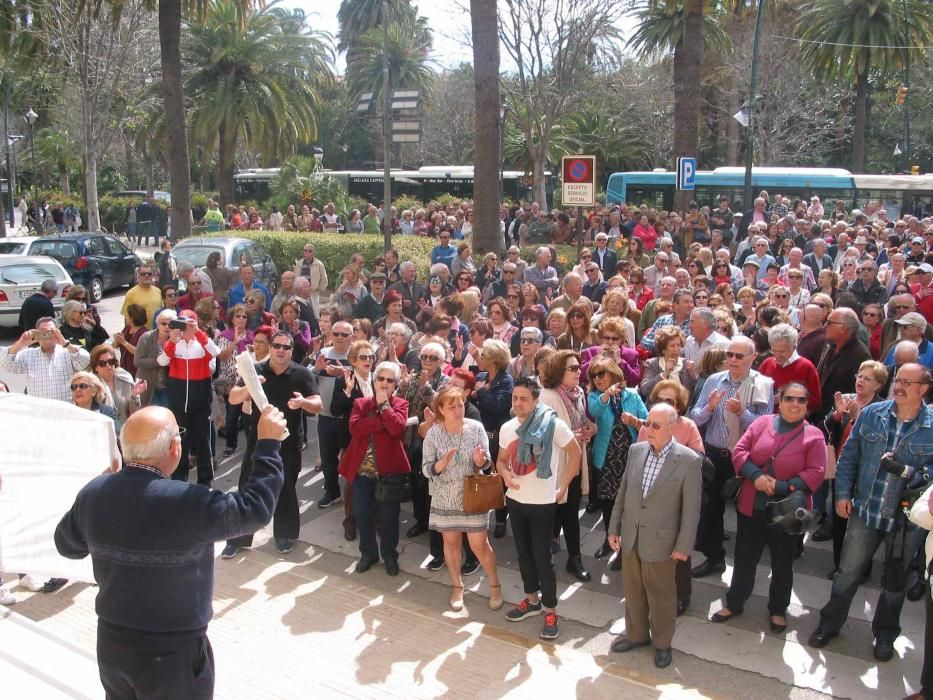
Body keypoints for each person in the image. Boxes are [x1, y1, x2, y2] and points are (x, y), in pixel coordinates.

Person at [54, 404, 288, 699]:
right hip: (172, 654)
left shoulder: (95, 492)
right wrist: (267, 445)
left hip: (112, 645)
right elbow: (255, 510)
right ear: (175, 448)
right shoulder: (188, 501)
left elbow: (67, 546)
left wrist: (98, 488)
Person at [809, 363, 933, 662]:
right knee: (847, 573)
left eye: (908, 381)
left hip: (906, 521)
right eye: (898, 379)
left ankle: (885, 635)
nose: (899, 385)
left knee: (895, 581)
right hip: (866, 511)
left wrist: (910, 471)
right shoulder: (871, 414)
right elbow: (849, 455)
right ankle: (829, 625)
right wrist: (842, 494)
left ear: (924, 388)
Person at [710, 382, 826, 634]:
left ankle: (777, 609)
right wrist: (755, 477)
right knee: (744, 558)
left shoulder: (814, 435)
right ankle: (735, 602)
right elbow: (740, 451)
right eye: (789, 399)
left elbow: (816, 473)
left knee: (782, 562)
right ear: (779, 400)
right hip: (751, 504)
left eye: (801, 400)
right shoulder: (761, 423)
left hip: (788, 510)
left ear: (807, 405)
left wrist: (783, 486)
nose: (795, 405)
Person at [607, 403, 702, 669]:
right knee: (633, 591)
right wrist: (614, 527)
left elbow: (692, 509)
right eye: (647, 423)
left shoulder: (689, 461)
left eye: (656, 425)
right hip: (631, 537)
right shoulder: (636, 451)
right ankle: (636, 635)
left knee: (661, 596)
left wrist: (684, 545)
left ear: (672, 428)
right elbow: (623, 493)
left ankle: (662, 644)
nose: (649, 429)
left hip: (663, 542)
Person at [497, 377, 582, 640]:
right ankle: (531, 600)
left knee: (543, 558)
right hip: (516, 500)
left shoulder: (552, 425)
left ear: (536, 401)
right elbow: (500, 460)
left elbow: (575, 453)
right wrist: (505, 475)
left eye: (524, 399)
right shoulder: (507, 428)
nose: (518, 403)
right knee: (523, 553)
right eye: (515, 398)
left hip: (543, 503)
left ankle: (551, 610)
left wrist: (563, 485)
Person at [225, 330, 321, 555]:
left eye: (286, 347)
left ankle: (284, 535)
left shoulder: (301, 374)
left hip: (288, 441)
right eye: (276, 346)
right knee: (247, 487)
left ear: (291, 351)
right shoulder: (256, 370)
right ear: (270, 348)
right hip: (257, 440)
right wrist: (250, 387)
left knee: (286, 488)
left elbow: (317, 404)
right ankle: (237, 540)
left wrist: (304, 402)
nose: (280, 350)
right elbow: (232, 397)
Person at [689, 335, 774, 578]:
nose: (733, 360)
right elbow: (695, 418)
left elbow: (766, 427)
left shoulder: (764, 384)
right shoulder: (715, 380)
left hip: (745, 458)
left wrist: (743, 413)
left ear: (752, 357)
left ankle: (743, 568)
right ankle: (714, 558)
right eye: (730, 355)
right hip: (716, 454)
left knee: (746, 514)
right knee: (711, 509)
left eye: (739, 356)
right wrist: (710, 408)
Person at [422, 386, 502, 611]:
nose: (458, 410)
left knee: (480, 545)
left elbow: (487, 463)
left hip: (472, 494)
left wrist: (480, 461)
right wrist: (441, 463)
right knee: (451, 542)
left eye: (460, 405)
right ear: (441, 409)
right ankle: (457, 587)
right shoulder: (434, 433)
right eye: (452, 406)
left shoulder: (476, 428)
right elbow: (426, 469)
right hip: (444, 496)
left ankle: (495, 584)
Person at [337, 361, 410, 575]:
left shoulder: (401, 404)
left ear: (396, 384)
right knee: (362, 515)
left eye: (390, 380)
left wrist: (384, 407)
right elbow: (355, 428)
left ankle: (390, 556)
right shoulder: (361, 403)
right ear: (374, 380)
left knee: (388, 519)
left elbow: (396, 428)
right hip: (361, 473)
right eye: (381, 379)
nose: (384, 383)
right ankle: (368, 554)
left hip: (388, 474)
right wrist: (382, 422)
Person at [822, 361, 888, 573]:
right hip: (841, 469)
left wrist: (857, 418)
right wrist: (837, 414)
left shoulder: (882, 408)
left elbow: (880, 441)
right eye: (859, 376)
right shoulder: (847, 399)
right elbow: (825, 427)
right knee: (840, 520)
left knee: (861, 525)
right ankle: (839, 565)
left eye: (867, 378)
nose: (860, 380)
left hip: (865, 473)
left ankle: (862, 568)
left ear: (878, 385)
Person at [587, 355, 648, 570]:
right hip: (606, 457)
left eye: (601, 374)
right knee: (607, 502)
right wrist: (606, 395)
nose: (597, 379)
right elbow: (594, 411)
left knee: (627, 505)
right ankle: (608, 538)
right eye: (594, 376)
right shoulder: (595, 397)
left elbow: (646, 422)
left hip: (629, 457)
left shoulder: (632, 394)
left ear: (613, 373)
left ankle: (624, 549)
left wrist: (634, 420)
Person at [539, 350, 594, 582]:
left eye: (578, 367)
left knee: (571, 514)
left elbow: (582, 421)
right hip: (554, 466)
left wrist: (591, 428)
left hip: (574, 463)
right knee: (549, 514)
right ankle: (543, 562)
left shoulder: (579, 392)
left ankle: (575, 558)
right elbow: (541, 433)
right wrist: (573, 435)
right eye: (572, 368)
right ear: (557, 371)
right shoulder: (547, 396)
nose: (578, 371)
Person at [158, 310, 220, 486]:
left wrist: (198, 333)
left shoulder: (201, 343)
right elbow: (162, 361)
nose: (185, 329)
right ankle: (179, 479)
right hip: (178, 401)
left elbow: (215, 352)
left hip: (200, 400)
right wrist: (172, 340)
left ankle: (205, 480)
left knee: (203, 441)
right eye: (182, 324)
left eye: (188, 324)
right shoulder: (174, 344)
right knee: (179, 442)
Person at [0, 317, 91, 401]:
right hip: (39, 411)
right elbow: (6, 364)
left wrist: (64, 343)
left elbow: (85, 361)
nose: (47, 334)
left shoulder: (68, 351)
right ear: (36, 333)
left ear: (58, 332)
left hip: (65, 409)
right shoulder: (29, 354)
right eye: (43, 332)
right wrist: (20, 343)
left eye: (51, 331)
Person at [314, 320, 354, 508]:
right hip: (325, 417)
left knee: (350, 460)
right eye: (336, 333)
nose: (339, 338)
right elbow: (306, 376)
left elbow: (365, 377)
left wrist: (344, 372)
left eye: (344, 335)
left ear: (351, 337)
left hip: (349, 419)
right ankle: (331, 491)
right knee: (328, 459)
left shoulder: (356, 355)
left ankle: (352, 495)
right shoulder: (323, 354)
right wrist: (316, 369)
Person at [121, 265, 163, 329]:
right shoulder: (131, 293)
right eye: (143, 274)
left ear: (152, 275)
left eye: (149, 274)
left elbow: (162, 311)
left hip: (157, 332)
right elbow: (127, 317)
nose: (147, 276)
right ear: (138, 276)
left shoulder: (158, 291)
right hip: (140, 334)